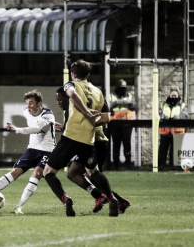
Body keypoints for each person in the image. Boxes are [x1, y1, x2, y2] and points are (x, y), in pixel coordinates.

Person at [43, 59, 119, 217]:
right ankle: (111, 199)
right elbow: (106, 119)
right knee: (93, 171)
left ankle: (65, 199)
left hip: (71, 136)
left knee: (48, 172)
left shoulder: (70, 85)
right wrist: (92, 120)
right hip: (88, 140)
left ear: (73, 73)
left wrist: (85, 112)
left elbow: (71, 94)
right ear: (88, 74)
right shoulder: (97, 92)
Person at [55, 86, 130, 214]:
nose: (58, 102)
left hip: (93, 143)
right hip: (94, 143)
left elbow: (81, 127)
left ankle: (108, 198)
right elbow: (103, 119)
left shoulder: (76, 107)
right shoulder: (94, 96)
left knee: (90, 173)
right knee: (75, 173)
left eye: (60, 100)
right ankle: (110, 198)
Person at [0, 89, 56, 215]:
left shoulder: (48, 114)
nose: (28, 106)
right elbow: (35, 125)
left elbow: (37, 128)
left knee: (36, 174)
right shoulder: (26, 112)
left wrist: (17, 130)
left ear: (39, 103)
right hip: (32, 149)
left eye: (31, 103)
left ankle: (18, 207)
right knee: (15, 172)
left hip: (47, 150)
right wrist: (53, 124)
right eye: (27, 103)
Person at [109, 79, 136, 170]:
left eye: (125, 87)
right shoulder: (111, 96)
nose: (123, 89)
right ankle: (116, 164)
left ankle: (128, 163)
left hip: (127, 123)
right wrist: (117, 102)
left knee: (127, 145)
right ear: (117, 87)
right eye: (121, 87)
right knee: (116, 145)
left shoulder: (130, 96)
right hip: (115, 123)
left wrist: (129, 103)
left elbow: (134, 105)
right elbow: (107, 106)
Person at [158, 88, 188, 169]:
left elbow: (185, 116)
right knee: (162, 151)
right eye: (172, 95)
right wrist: (164, 117)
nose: (173, 96)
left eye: (175, 95)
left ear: (178, 96)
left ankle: (174, 167)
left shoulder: (183, 105)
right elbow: (159, 113)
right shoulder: (163, 105)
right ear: (169, 95)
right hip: (165, 131)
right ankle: (161, 166)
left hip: (177, 132)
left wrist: (178, 117)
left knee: (175, 151)